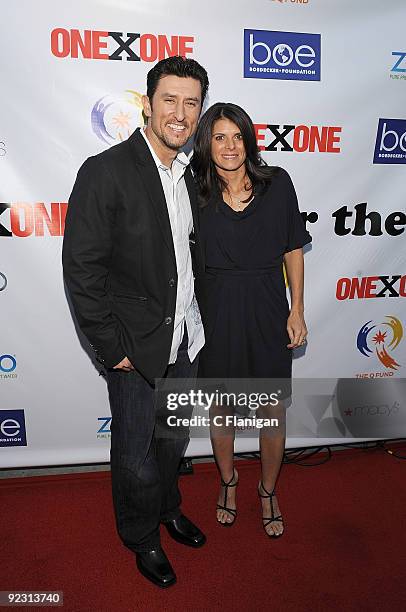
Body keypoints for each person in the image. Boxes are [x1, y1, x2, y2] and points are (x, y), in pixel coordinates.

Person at [62, 56, 209, 588]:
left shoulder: (191, 175)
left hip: (186, 341)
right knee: (135, 456)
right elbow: (82, 268)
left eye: (191, 103)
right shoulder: (106, 171)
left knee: (172, 444)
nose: (180, 112)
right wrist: (111, 346)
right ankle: (141, 536)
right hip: (135, 349)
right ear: (147, 104)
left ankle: (168, 509)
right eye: (169, 99)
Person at [191, 102, 312, 538]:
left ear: (249, 139)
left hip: (266, 308)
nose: (229, 146)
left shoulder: (277, 183)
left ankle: (267, 490)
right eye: (219, 137)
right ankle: (228, 482)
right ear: (206, 142)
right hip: (216, 311)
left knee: (270, 413)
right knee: (220, 410)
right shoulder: (192, 189)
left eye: (237, 136)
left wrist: (296, 308)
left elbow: (292, 247)